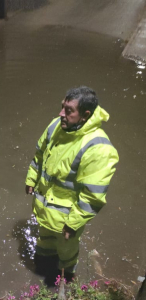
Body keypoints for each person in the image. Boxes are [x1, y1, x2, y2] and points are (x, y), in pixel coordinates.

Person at [25, 86, 119, 281]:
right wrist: (31, 179)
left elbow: (92, 196)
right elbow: (39, 156)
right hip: (44, 210)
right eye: (62, 107)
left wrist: (72, 225)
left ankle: (66, 276)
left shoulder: (99, 148)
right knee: (44, 243)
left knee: (66, 253)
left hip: (66, 221)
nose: (61, 114)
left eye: (68, 110)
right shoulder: (55, 126)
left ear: (85, 115)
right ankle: (43, 263)